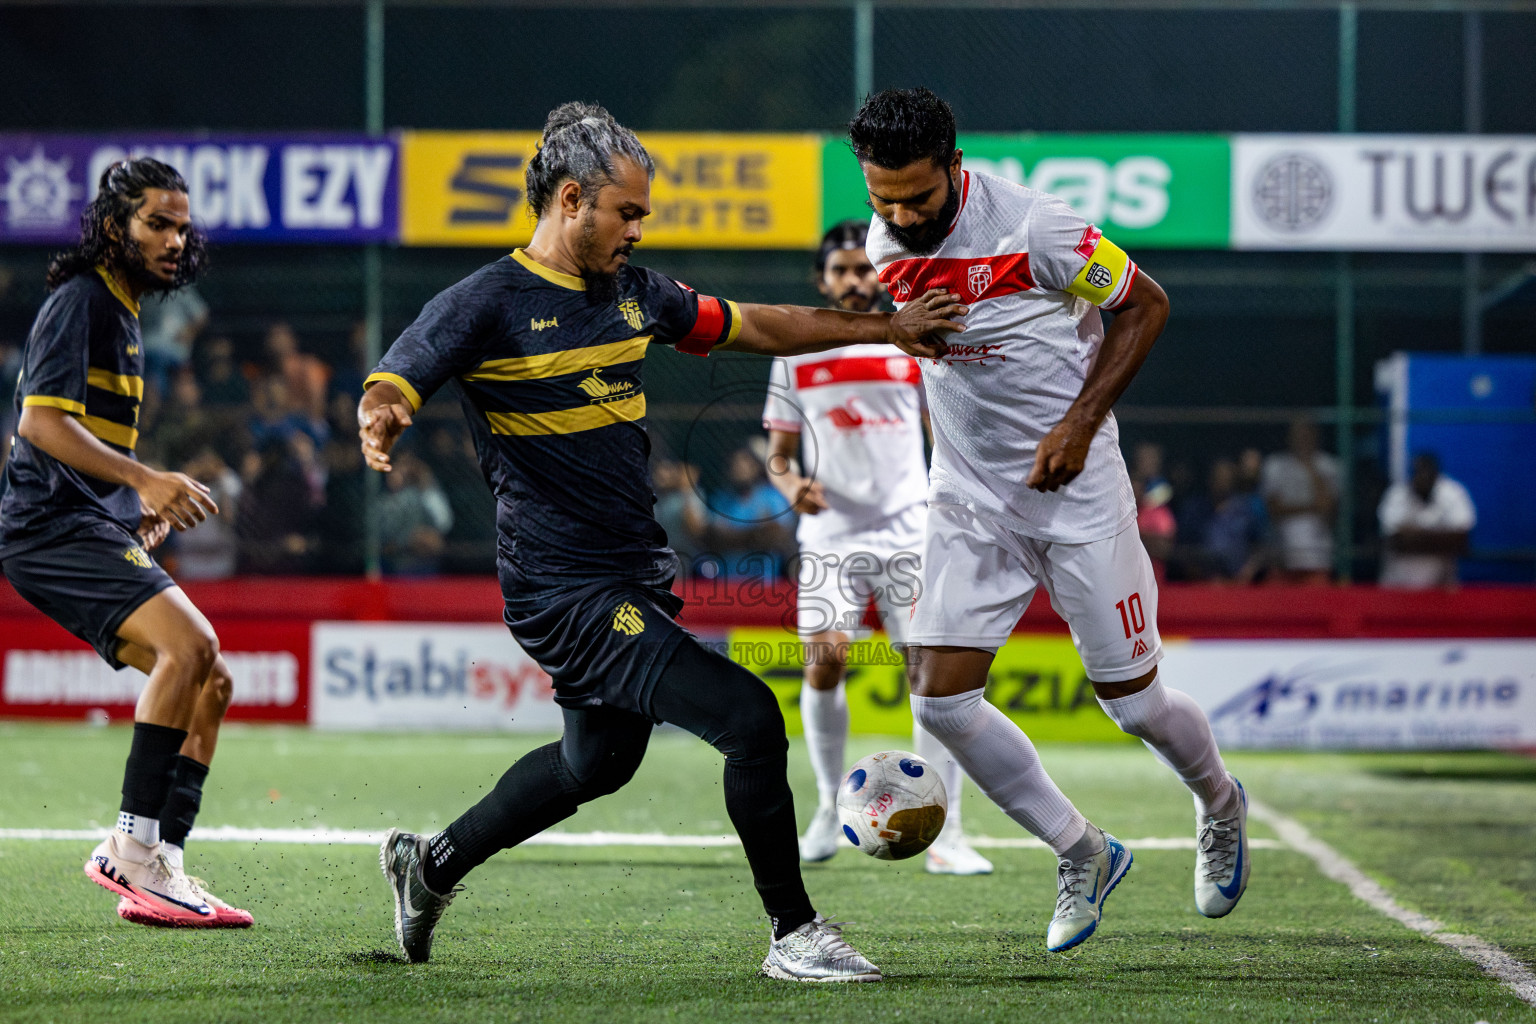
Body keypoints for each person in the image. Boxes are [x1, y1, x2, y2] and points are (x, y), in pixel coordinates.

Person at [358, 102, 961, 982]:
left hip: (630, 576)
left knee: (594, 763)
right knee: (751, 720)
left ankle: (431, 864)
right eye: (627, 212)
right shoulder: (487, 302)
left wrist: (885, 328)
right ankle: (795, 934)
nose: (641, 228)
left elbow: (757, 325)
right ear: (571, 200)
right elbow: (397, 373)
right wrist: (384, 412)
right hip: (564, 591)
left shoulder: (637, 295)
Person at [850, 88, 1250, 953]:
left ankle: (1219, 801)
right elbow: (952, 362)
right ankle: (1084, 851)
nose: (899, 214)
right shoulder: (885, 240)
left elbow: (1145, 306)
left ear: (954, 166)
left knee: (1133, 706)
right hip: (966, 499)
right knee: (943, 703)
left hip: (1077, 491)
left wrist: (1077, 424)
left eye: (917, 195)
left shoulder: (1038, 227)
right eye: (883, 197)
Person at [0, 158, 251, 928]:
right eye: (157, 224)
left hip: (85, 520)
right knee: (190, 644)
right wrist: (142, 480)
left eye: (181, 225)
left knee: (211, 680)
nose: (176, 239)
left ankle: (160, 864)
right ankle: (130, 851)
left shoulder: (126, 310)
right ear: (115, 227)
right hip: (46, 526)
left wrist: (128, 505)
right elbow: (41, 425)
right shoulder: (82, 300)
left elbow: (81, 438)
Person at [761, 219, 990, 875]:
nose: (855, 280)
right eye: (841, 271)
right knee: (825, 662)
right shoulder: (794, 352)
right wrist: (791, 481)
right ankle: (831, 808)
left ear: (879, 274)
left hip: (910, 528)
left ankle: (946, 833)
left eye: (864, 269)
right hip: (832, 531)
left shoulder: (909, 340)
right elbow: (777, 455)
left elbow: (945, 433)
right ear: (822, 280)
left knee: (930, 677)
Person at [1377, 451, 1475, 589]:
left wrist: (1413, 535)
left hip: (1441, 588)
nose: (1422, 478)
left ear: (1436, 475)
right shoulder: (1396, 495)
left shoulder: (1453, 493)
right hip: (1398, 586)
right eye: (1418, 473)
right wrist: (1442, 537)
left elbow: (1462, 541)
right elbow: (1395, 541)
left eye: (1428, 473)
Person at [1261, 417, 1338, 584]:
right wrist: (1312, 507)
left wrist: (1310, 467)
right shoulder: (1275, 465)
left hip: (1317, 560)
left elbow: (1328, 509)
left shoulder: (1329, 466)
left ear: (1315, 436)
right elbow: (1274, 510)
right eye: (1297, 434)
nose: (1301, 438)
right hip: (1283, 560)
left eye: (1306, 434)